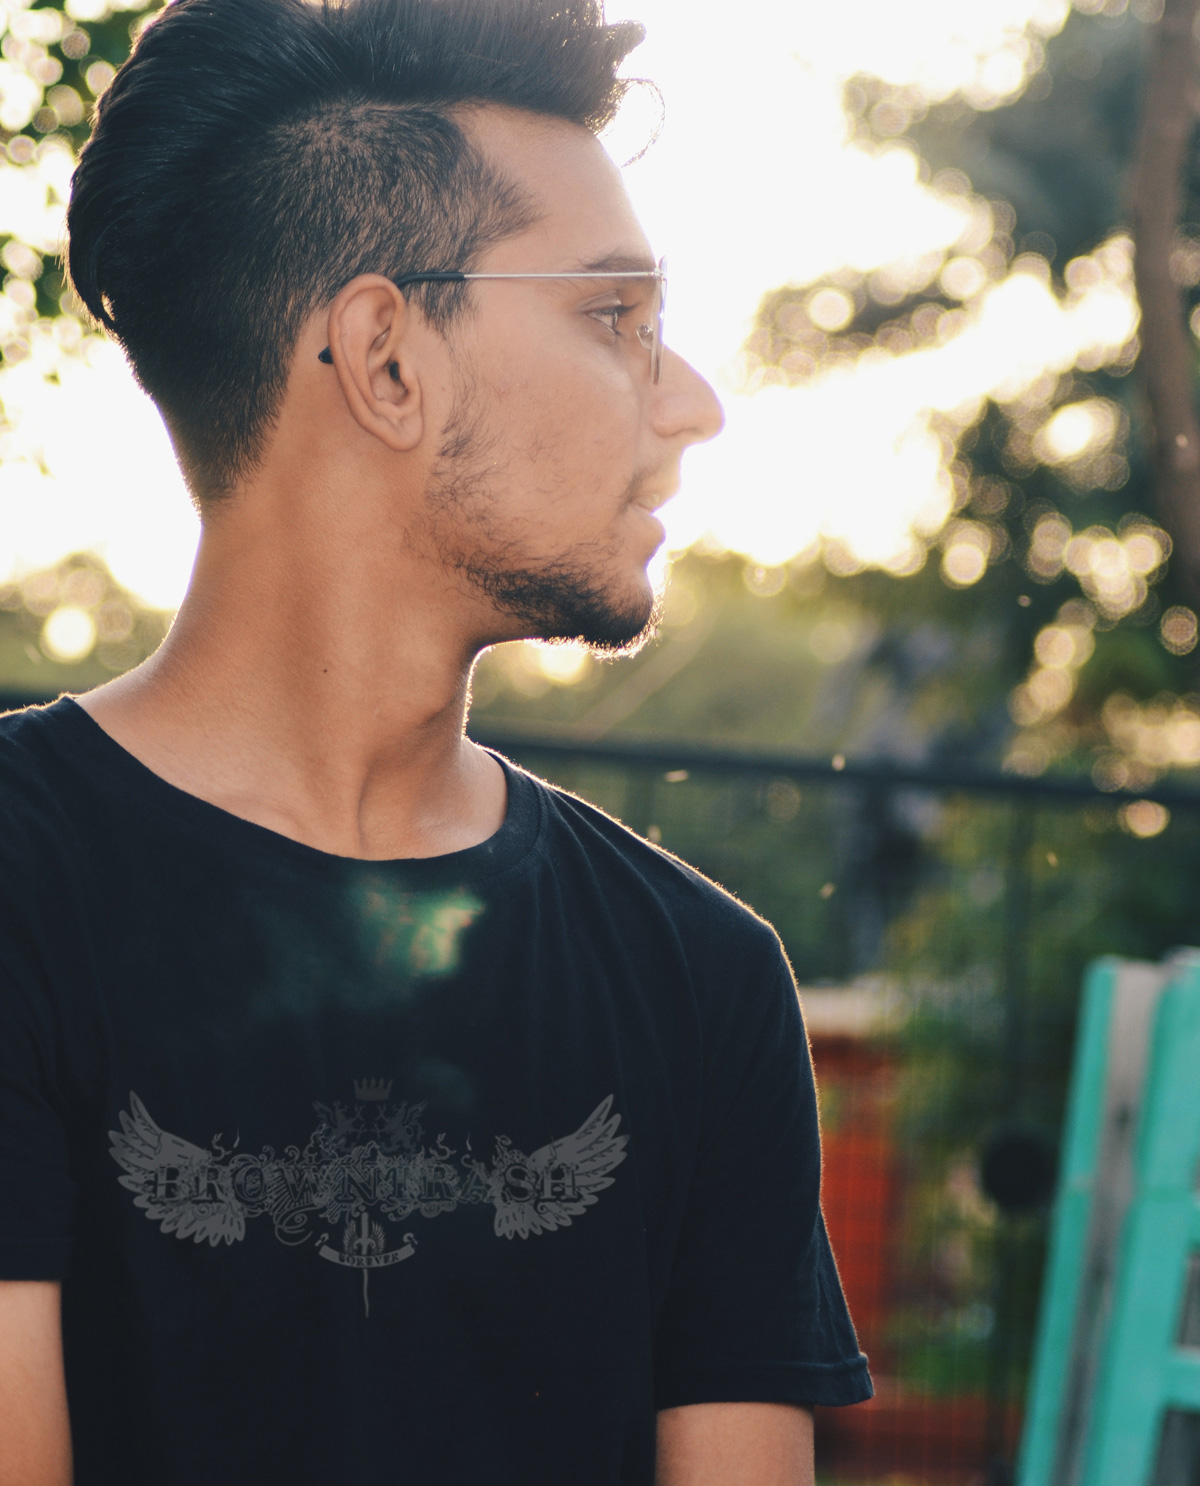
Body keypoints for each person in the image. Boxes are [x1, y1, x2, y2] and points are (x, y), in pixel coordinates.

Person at [0, 0, 873, 1481]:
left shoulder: (704, 979)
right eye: (616, 318)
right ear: (386, 360)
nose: (695, 403)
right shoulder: (22, 890)